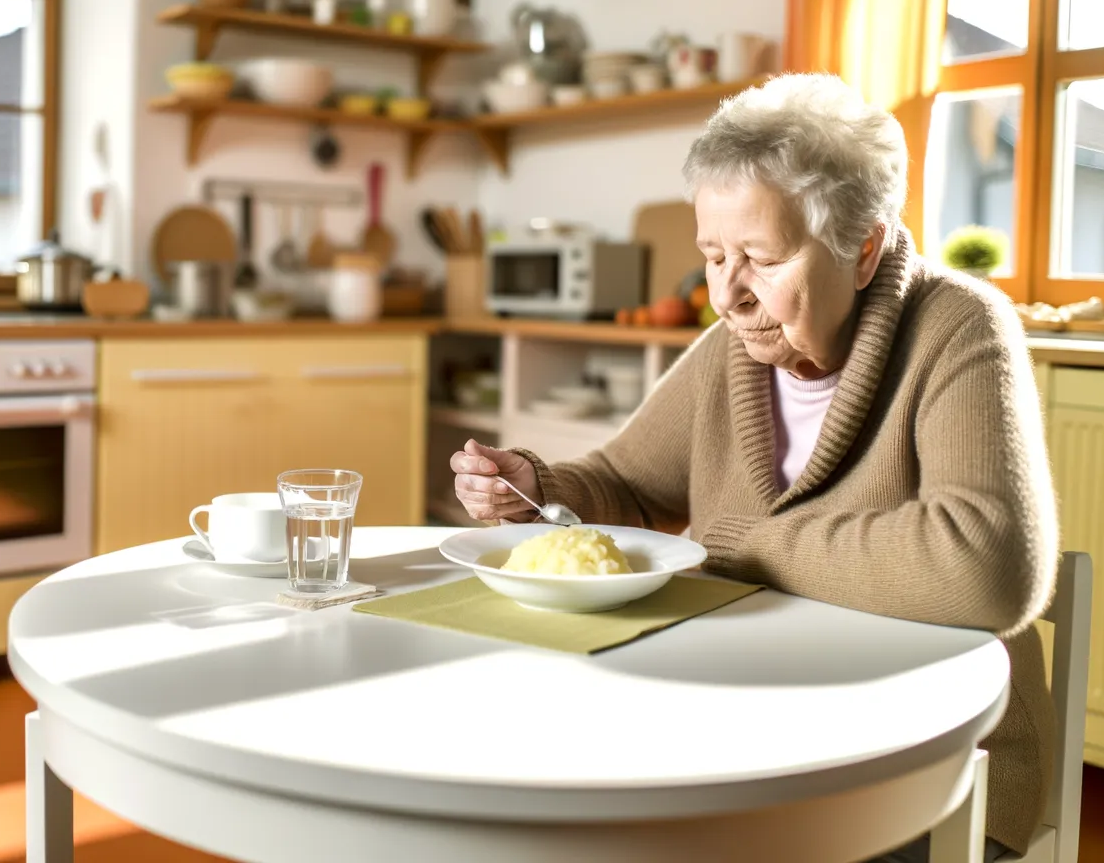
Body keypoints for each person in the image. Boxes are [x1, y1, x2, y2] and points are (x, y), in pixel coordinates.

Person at [451, 74, 1057, 861]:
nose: (725, 296)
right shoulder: (731, 349)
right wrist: (538, 488)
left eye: (761, 259)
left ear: (863, 247)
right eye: (712, 255)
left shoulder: (959, 326)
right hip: (749, 726)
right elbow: (630, 487)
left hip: (927, 766)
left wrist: (748, 545)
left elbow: (986, 567)